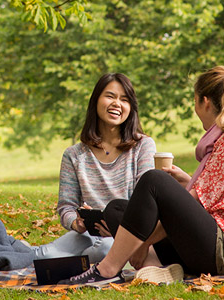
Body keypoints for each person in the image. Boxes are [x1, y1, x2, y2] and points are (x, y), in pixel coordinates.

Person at [60, 65, 224, 285]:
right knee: (117, 209)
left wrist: (144, 242)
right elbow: (217, 196)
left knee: (155, 180)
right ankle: (157, 268)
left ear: (204, 102)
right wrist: (186, 183)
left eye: (194, 101)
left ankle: (108, 268)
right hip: (218, 247)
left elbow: (197, 203)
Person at [33, 73, 156, 262]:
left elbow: (146, 204)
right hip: (87, 234)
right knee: (44, 257)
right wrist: (76, 223)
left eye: (124, 100)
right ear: (96, 100)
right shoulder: (74, 155)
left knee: (103, 250)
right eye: (110, 96)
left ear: (131, 108)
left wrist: (119, 227)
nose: (117, 103)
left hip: (126, 236)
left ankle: (74, 263)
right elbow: (66, 206)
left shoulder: (142, 146)